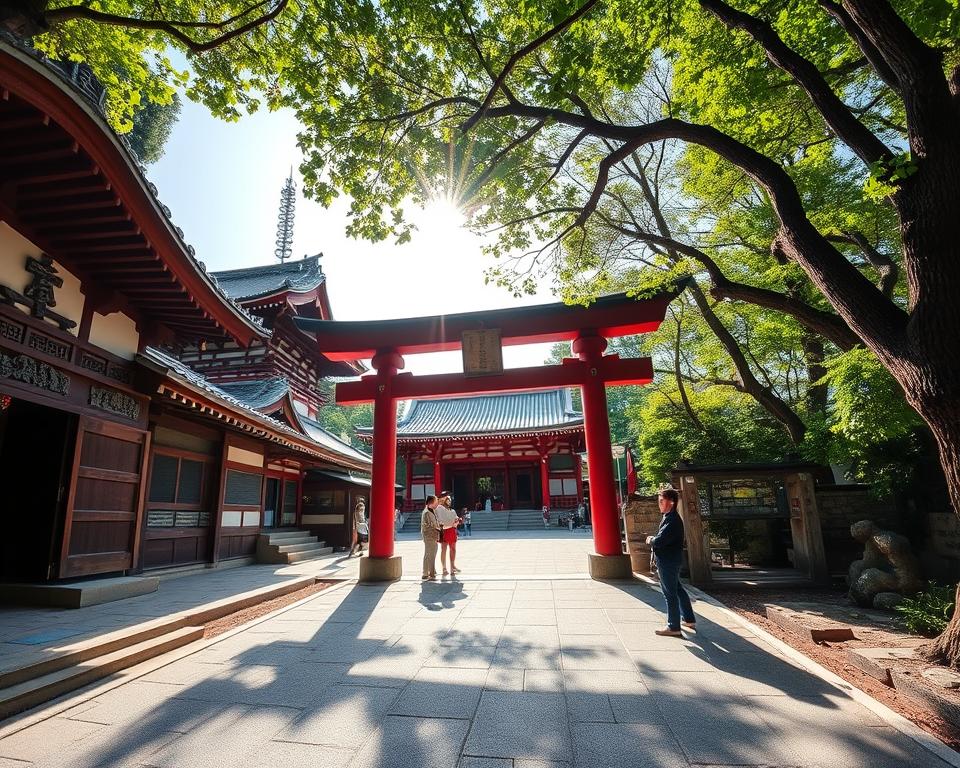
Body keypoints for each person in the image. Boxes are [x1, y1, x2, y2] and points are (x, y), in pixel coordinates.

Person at [646, 487, 696, 636]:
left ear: (671, 502)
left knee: (670, 594)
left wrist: (651, 540)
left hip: (668, 561)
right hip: (672, 559)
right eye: (659, 501)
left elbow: (660, 540)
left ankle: (673, 626)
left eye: (662, 501)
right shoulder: (670, 517)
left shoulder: (672, 520)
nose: (659, 503)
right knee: (678, 589)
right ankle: (688, 618)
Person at [436, 492, 461, 575]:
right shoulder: (439, 508)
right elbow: (439, 519)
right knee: (444, 549)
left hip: (452, 530)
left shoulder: (453, 511)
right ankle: (444, 568)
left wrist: (458, 520)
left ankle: (452, 566)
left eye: (450, 500)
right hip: (444, 530)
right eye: (447, 499)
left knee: (453, 548)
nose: (449, 501)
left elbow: (456, 518)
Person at [420, 495, 441, 579]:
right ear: (431, 502)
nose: (437, 503)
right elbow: (427, 526)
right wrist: (437, 529)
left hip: (433, 535)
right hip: (429, 535)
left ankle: (428, 571)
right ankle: (429, 573)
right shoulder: (426, 512)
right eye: (436, 501)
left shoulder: (432, 510)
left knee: (431, 553)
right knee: (430, 554)